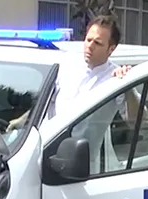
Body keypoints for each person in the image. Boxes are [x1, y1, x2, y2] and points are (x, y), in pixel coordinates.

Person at [7, 15, 140, 131]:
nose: (90, 46)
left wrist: (128, 86)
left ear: (111, 49)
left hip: (81, 156)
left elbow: (135, 121)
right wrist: (22, 121)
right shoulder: (66, 64)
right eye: (88, 40)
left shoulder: (115, 78)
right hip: (46, 146)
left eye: (97, 43)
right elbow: (46, 104)